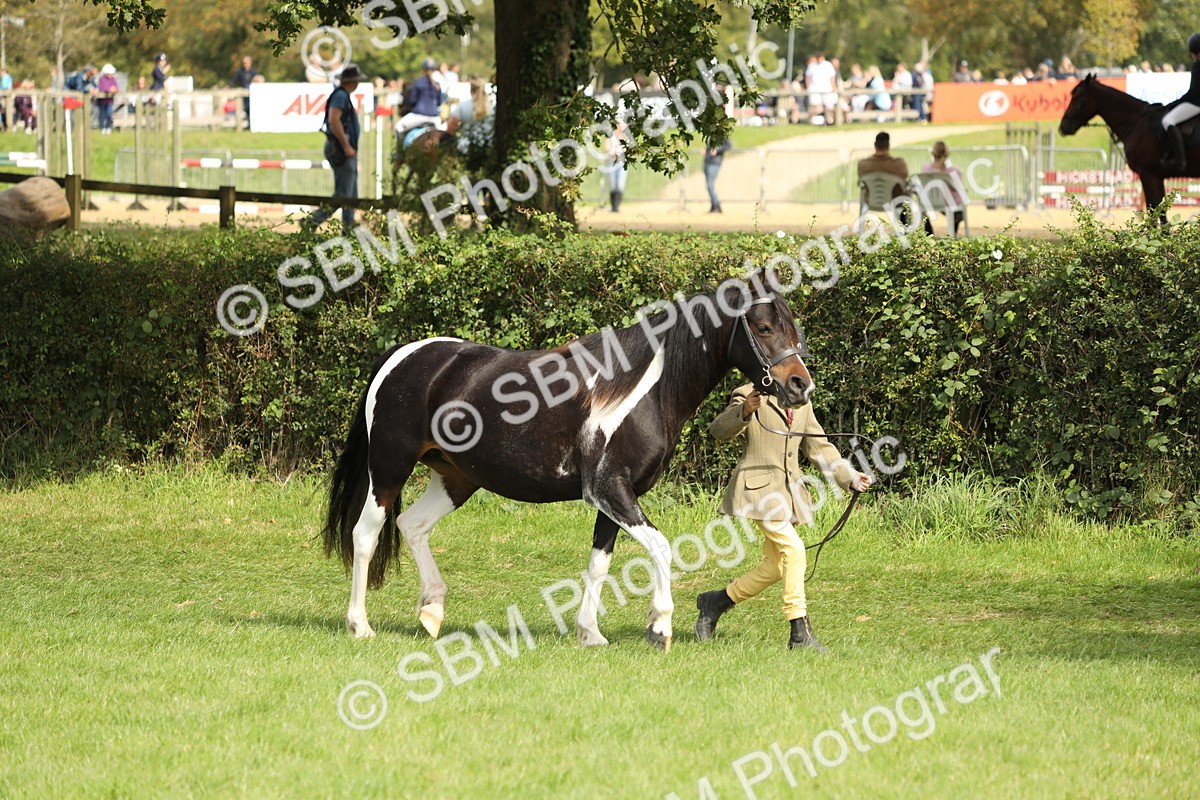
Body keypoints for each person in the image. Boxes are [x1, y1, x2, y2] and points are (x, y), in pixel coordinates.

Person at [694, 384, 873, 651]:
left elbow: (819, 448)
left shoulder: (803, 400)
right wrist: (743, 411)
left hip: (788, 494)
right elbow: (718, 431)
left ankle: (717, 601)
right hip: (758, 492)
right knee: (794, 550)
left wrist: (849, 477)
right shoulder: (748, 394)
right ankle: (799, 631)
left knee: (776, 567)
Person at [308, 63, 366, 231]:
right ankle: (313, 221)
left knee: (351, 195)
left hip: (344, 150)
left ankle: (349, 228)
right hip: (341, 150)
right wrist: (347, 146)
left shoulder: (343, 95)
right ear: (352, 81)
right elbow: (334, 121)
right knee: (343, 196)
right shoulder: (341, 96)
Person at [1161, 33, 1200, 172]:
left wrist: (1174, 104)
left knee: (1168, 121)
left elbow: (1193, 94)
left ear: (1195, 52)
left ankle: (1179, 161)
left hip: (1197, 104)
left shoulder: (1197, 66)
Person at [920, 140, 965, 235]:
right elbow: (959, 187)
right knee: (958, 212)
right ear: (947, 153)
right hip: (949, 203)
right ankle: (952, 234)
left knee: (923, 211)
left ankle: (929, 234)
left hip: (929, 202)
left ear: (933, 153)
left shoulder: (926, 169)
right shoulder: (953, 171)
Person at [446, 77, 494, 168]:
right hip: (489, 149)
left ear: (470, 90)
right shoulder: (493, 106)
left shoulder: (462, 106)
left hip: (466, 148)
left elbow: (451, 128)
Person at [397, 58, 444, 134]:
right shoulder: (437, 84)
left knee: (399, 126)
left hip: (419, 116)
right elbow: (439, 102)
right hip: (435, 118)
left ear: (423, 69)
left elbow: (412, 100)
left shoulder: (418, 82)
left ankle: (399, 145)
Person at [602, 120, 630, 212]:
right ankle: (613, 206)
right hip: (612, 161)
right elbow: (606, 147)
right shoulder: (610, 136)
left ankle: (617, 205)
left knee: (620, 184)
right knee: (613, 184)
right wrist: (611, 153)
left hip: (622, 162)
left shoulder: (625, 137)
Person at [703, 134, 731, 212]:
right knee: (708, 185)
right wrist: (706, 151)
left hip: (715, 162)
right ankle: (713, 206)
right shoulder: (711, 133)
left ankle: (717, 206)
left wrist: (717, 150)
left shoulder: (724, 134)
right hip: (707, 161)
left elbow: (729, 146)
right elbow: (710, 147)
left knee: (710, 185)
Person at [230, 55, 258, 122]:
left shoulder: (254, 71)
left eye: (246, 62)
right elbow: (233, 79)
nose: (245, 64)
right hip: (242, 94)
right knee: (243, 108)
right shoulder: (240, 71)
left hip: (252, 95)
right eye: (244, 63)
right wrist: (228, 86)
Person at [96, 64, 119, 134]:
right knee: (102, 115)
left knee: (109, 114)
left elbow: (117, 88)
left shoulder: (113, 79)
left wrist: (115, 89)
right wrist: (109, 89)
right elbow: (101, 88)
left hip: (110, 100)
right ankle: (102, 128)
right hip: (102, 101)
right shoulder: (101, 79)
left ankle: (108, 127)